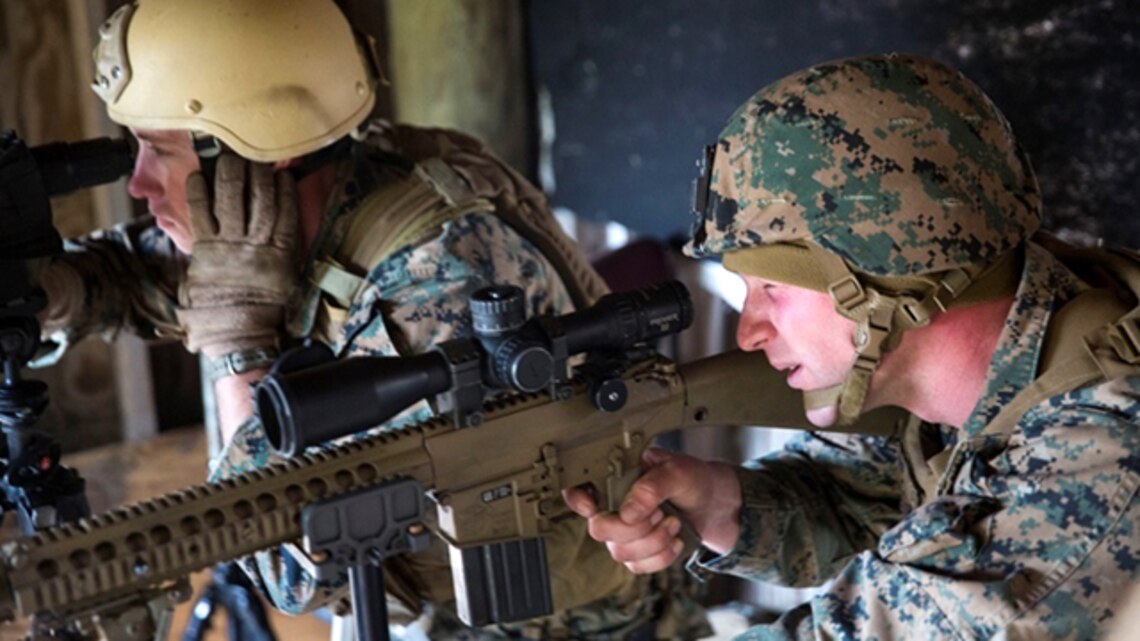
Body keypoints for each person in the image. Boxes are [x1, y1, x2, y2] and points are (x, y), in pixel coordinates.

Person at [30, 0, 711, 638]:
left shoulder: (432, 283)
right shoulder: (335, 191)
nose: (139, 184)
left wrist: (235, 343)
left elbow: (289, 565)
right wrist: (43, 290)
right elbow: (142, 274)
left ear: (255, 159)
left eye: (161, 150)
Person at [566, 53, 1140, 639]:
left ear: (890, 278)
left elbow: (885, 626)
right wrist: (716, 502)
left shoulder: (1101, 448)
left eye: (771, 287)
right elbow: (879, 492)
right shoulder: (999, 376)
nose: (750, 331)